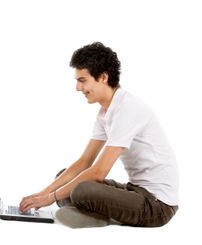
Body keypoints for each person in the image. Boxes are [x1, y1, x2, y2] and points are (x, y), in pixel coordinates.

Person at [19, 42, 179, 228]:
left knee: (81, 190)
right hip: (134, 191)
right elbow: (85, 162)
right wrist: (43, 193)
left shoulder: (128, 108)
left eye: (82, 80)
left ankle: (95, 214)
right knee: (64, 177)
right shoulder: (105, 112)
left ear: (103, 77)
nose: (78, 88)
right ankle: (93, 214)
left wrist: (50, 198)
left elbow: (99, 171)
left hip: (158, 206)